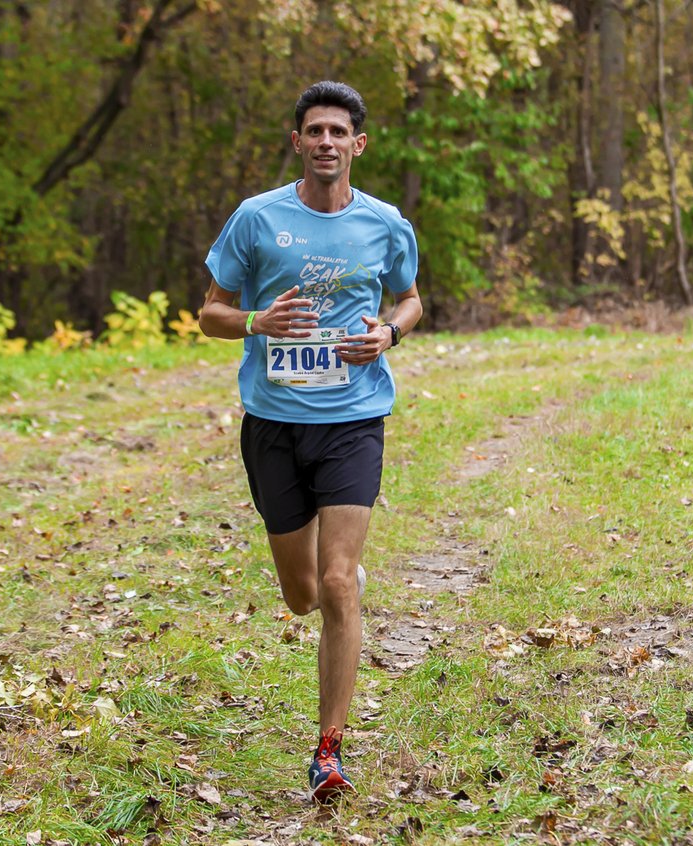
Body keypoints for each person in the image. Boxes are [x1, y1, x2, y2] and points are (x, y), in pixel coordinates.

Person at [199, 81, 422, 803]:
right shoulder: (257, 219)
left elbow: (413, 298)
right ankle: (333, 586)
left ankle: (328, 751)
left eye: (339, 132)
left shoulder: (386, 223)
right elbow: (210, 313)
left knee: (336, 584)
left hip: (354, 420)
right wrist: (258, 323)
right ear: (298, 141)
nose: (327, 141)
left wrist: (388, 332)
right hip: (273, 425)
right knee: (301, 596)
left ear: (359, 144)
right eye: (314, 131)